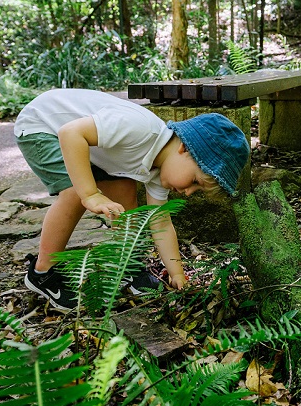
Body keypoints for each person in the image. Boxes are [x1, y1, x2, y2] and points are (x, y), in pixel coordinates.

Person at [14, 88, 250, 311]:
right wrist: (90, 194)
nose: (189, 192)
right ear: (185, 149)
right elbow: (70, 133)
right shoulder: (140, 130)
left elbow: (161, 223)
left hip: (79, 140)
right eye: (195, 182)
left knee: (125, 188)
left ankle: (127, 263)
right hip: (42, 126)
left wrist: (177, 274)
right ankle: (43, 272)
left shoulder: (158, 173)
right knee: (74, 192)